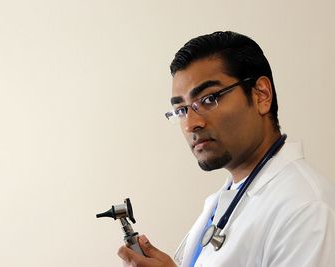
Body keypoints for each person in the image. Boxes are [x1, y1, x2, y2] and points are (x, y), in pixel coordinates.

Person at [117, 31, 335, 267]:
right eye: (181, 110)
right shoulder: (227, 197)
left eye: (209, 99)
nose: (191, 124)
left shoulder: (307, 209)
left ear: (261, 95)